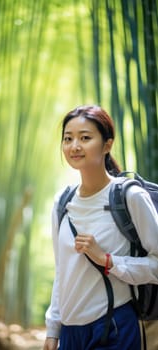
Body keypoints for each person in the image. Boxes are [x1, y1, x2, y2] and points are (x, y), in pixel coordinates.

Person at [43, 105, 158, 350]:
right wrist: (53, 330)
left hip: (113, 327)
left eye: (85, 138)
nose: (74, 146)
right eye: (68, 138)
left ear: (107, 145)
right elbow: (62, 272)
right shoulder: (62, 202)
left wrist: (108, 260)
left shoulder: (129, 196)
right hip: (71, 334)